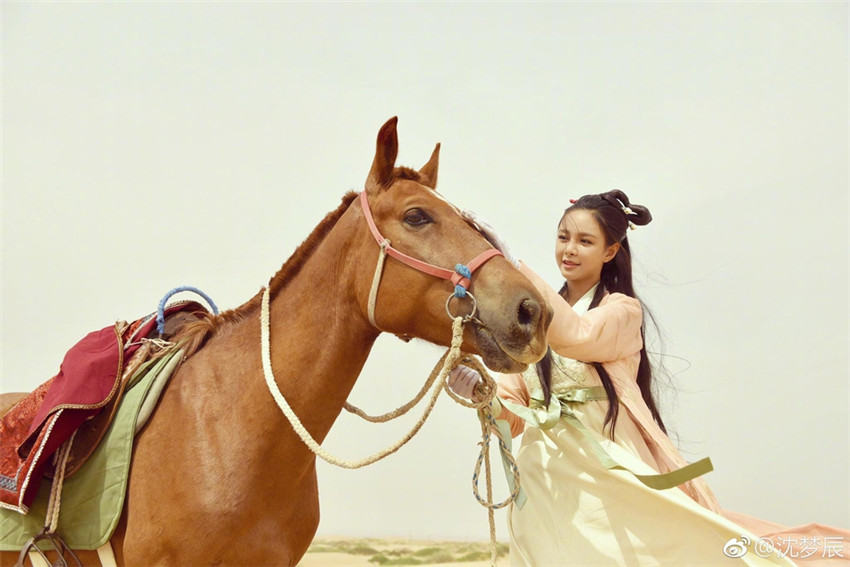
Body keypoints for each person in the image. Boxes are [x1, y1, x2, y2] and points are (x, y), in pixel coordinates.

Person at [450, 191, 849, 566]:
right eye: (563, 237)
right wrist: (481, 393)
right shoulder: (532, 319)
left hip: (606, 478)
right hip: (541, 482)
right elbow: (514, 415)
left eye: (585, 241)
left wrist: (511, 265)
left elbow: (577, 336)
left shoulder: (622, 311)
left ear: (610, 251)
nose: (570, 249)